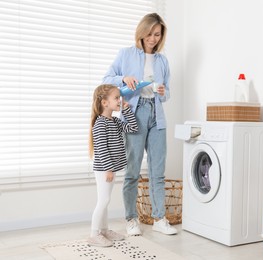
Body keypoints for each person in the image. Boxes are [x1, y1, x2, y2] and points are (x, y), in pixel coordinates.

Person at [102, 13, 177, 236]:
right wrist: (123, 79)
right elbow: (107, 78)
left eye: (157, 34)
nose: (153, 39)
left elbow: (167, 93)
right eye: (150, 34)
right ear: (141, 32)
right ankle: (131, 219)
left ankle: (159, 218)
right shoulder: (126, 54)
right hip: (134, 112)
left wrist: (163, 92)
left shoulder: (162, 60)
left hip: (157, 114)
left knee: (158, 171)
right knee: (133, 171)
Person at [88, 84, 138, 247]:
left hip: (111, 168)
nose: (120, 100)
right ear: (104, 102)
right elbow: (101, 149)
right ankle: (94, 234)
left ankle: (104, 229)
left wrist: (127, 110)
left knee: (105, 200)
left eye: (120, 97)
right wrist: (108, 169)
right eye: (116, 98)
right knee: (104, 200)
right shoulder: (100, 124)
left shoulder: (115, 121)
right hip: (104, 169)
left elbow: (133, 127)